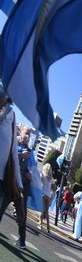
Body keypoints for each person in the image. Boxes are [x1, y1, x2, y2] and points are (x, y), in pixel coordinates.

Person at [0, 92, 25, 249]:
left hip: (3, 179)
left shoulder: (11, 116)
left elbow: (14, 153)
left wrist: (20, 185)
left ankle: (22, 240)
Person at [38, 163, 55, 232]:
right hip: (48, 195)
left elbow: (38, 181)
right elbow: (54, 188)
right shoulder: (51, 178)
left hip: (42, 193)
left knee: (41, 210)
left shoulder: (42, 174)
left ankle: (40, 224)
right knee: (47, 212)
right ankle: (48, 228)